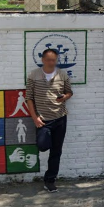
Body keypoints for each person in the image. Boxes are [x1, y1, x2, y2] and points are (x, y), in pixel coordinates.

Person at [26, 48, 73, 192]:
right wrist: (35, 118)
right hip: (43, 119)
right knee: (42, 145)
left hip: (60, 118)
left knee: (56, 151)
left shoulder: (62, 74)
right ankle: (49, 177)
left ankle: (50, 180)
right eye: (48, 60)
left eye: (53, 60)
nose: (51, 62)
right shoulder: (34, 75)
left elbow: (69, 91)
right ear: (43, 60)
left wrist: (65, 97)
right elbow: (29, 98)